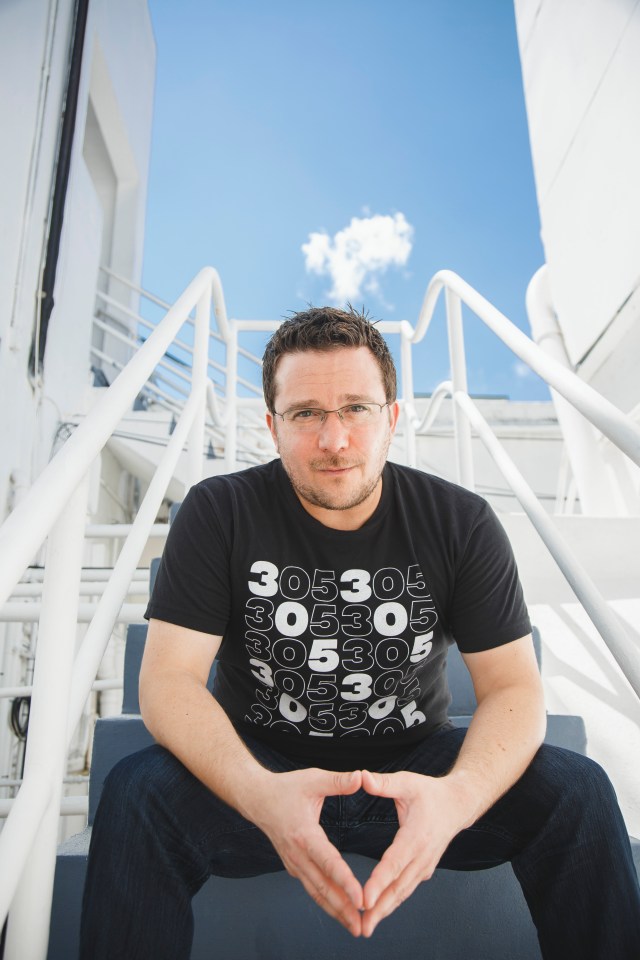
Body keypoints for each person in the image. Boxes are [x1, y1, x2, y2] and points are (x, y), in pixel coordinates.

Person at [80, 306, 640, 960]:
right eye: (306, 413)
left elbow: (514, 689)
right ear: (272, 427)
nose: (334, 439)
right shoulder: (219, 511)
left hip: (416, 769)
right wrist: (259, 794)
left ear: (392, 418)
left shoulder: (460, 522)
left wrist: (457, 798)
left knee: (579, 791)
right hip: (260, 766)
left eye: (356, 409)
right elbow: (169, 680)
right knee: (136, 792)